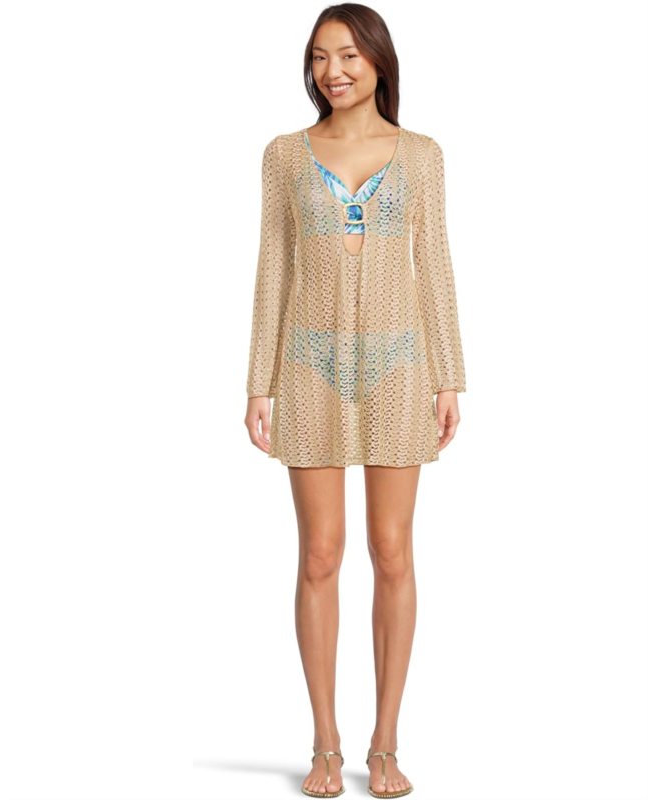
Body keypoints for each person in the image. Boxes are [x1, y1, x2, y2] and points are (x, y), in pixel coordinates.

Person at [243, 4, 466, 798]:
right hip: (308, 366)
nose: (331, 71)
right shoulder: (284, 155)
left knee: (393, 551)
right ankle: (326, 743)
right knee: (320, 554)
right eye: (318, 58)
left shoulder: (422, 154)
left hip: (400, 369)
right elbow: (273, 264)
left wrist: (449, 375)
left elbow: (435, 263)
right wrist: (259, 381)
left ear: (377, 60)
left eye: (346, 55)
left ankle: (385, 744)